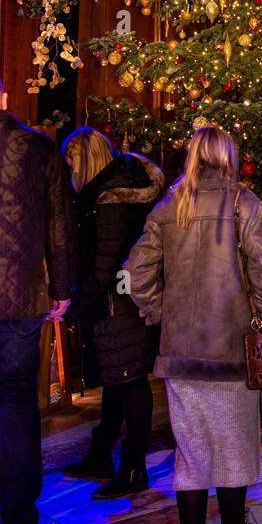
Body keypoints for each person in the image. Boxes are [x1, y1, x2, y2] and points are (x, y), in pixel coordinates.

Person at [127, 126, 262, 524]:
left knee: (191, 457)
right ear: (229, 157)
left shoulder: (168, 207)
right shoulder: (245, 203)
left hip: (181, 354)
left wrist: (161, 312)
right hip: (232, 350)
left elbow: (137, 275)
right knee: (236, 445)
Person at [0, 74, 76, 524]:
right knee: (17, 403)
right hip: (20, 297)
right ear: (6, 99)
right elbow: (61, 224)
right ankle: (19, 521)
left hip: (17, 300)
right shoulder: (37, 149)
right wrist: (62, 289)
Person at [60, 128, 165, 498]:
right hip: (123, 301)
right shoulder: (115, 196)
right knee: (119, 378)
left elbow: (106, 265)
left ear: (85, 161)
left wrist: (77, 303)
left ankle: (133, 469)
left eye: (71, 160)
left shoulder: (108, 203)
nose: (67, 169)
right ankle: (103, 453)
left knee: (130, 381)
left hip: (118, 303)